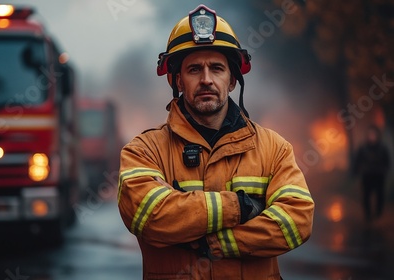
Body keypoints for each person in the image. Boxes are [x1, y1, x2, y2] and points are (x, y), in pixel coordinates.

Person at [117, 4, 314, 279]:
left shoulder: (274, 149)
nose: (206, 79)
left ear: (232, 80)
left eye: (217, 68)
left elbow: (298, 220)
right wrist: (243, 207)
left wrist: (218, 242)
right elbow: (148, 216)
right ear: (178, 81)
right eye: (194, 69)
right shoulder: (144, 151)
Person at [353, 124, 390, 222]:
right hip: (367, 176)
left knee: (380, 196)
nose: (372, 136)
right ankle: (368, 215)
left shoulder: (383, 148)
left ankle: (378, 213)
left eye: (374, 134)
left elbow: (387, 161)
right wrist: (356, 172)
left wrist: (385, 170)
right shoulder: (363, 148)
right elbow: (357, 160)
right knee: (366, 196)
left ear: (377, 135)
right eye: (370, 134)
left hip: (379, 176)